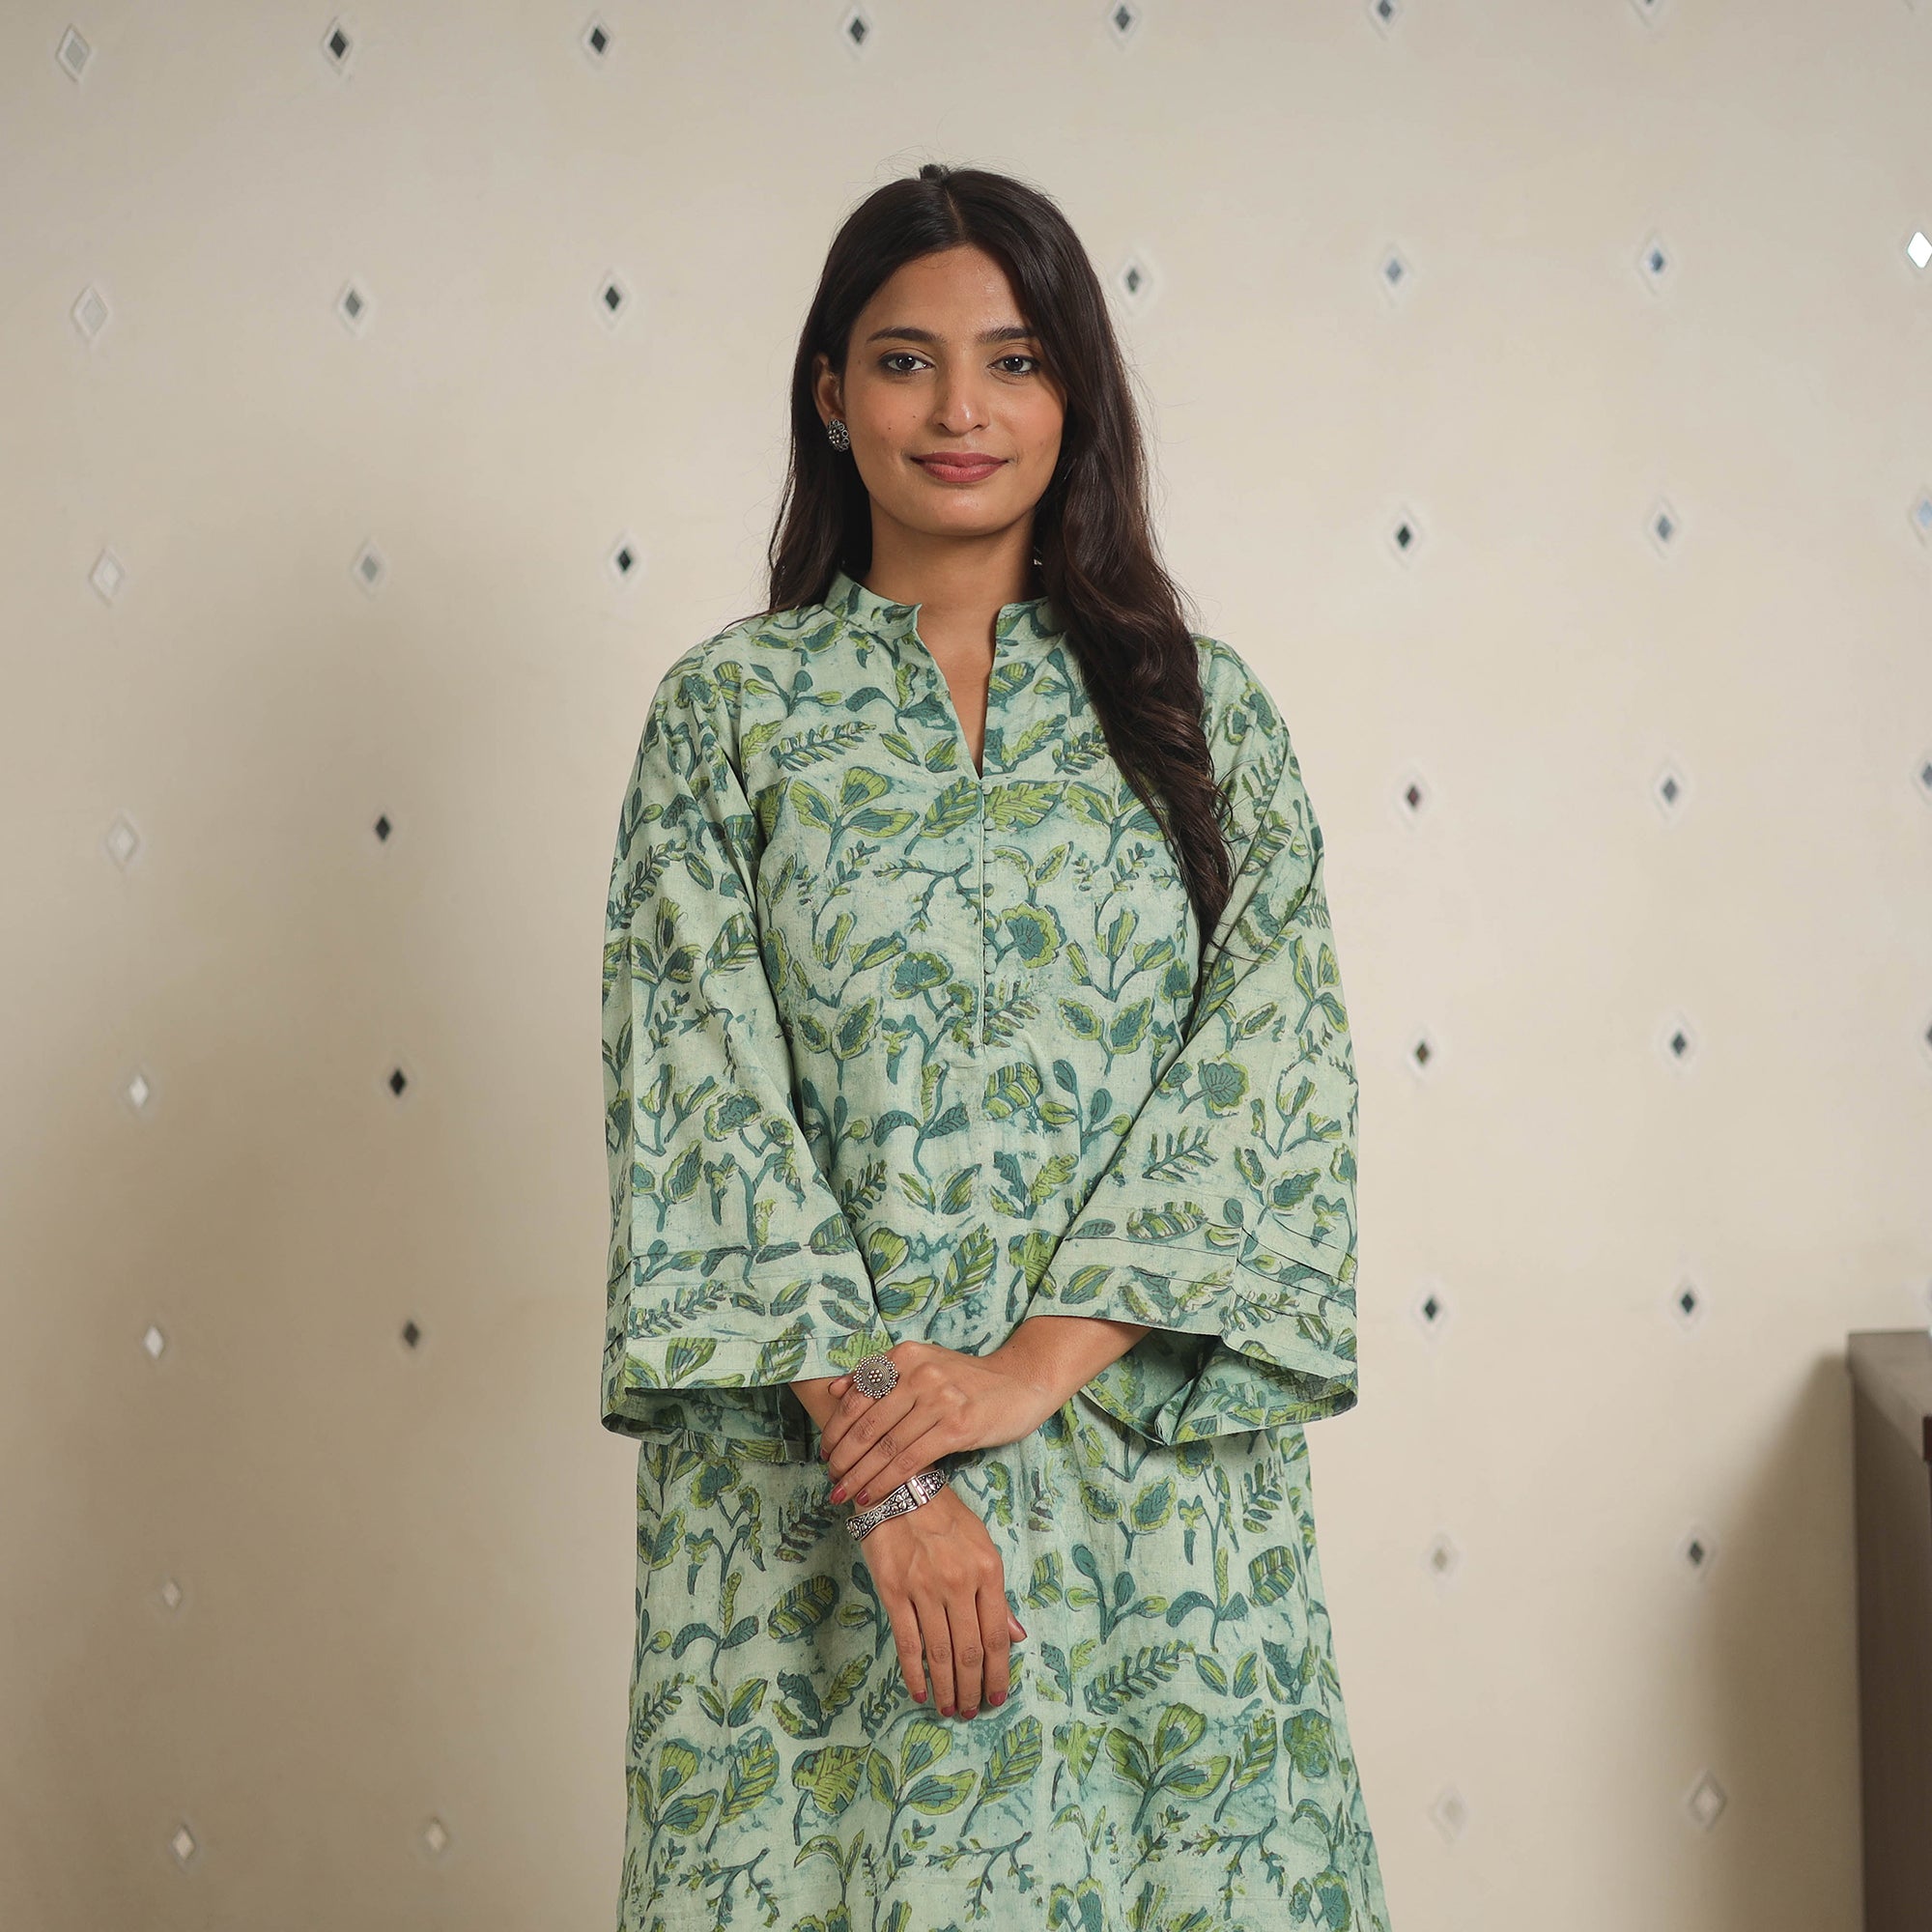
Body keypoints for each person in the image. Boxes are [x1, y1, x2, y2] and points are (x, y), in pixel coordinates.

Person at [600, 161, 1393, 1932]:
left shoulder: (1201, 715)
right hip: (821, 1511)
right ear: (832, 393)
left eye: (1015, 361)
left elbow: (1269, 1077)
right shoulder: (729, 720)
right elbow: (699, 1109)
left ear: (1074, 394)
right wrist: (900, 1479)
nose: (961, 408)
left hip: (1148, 1503)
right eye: (907, 360)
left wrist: (1030, 1370)